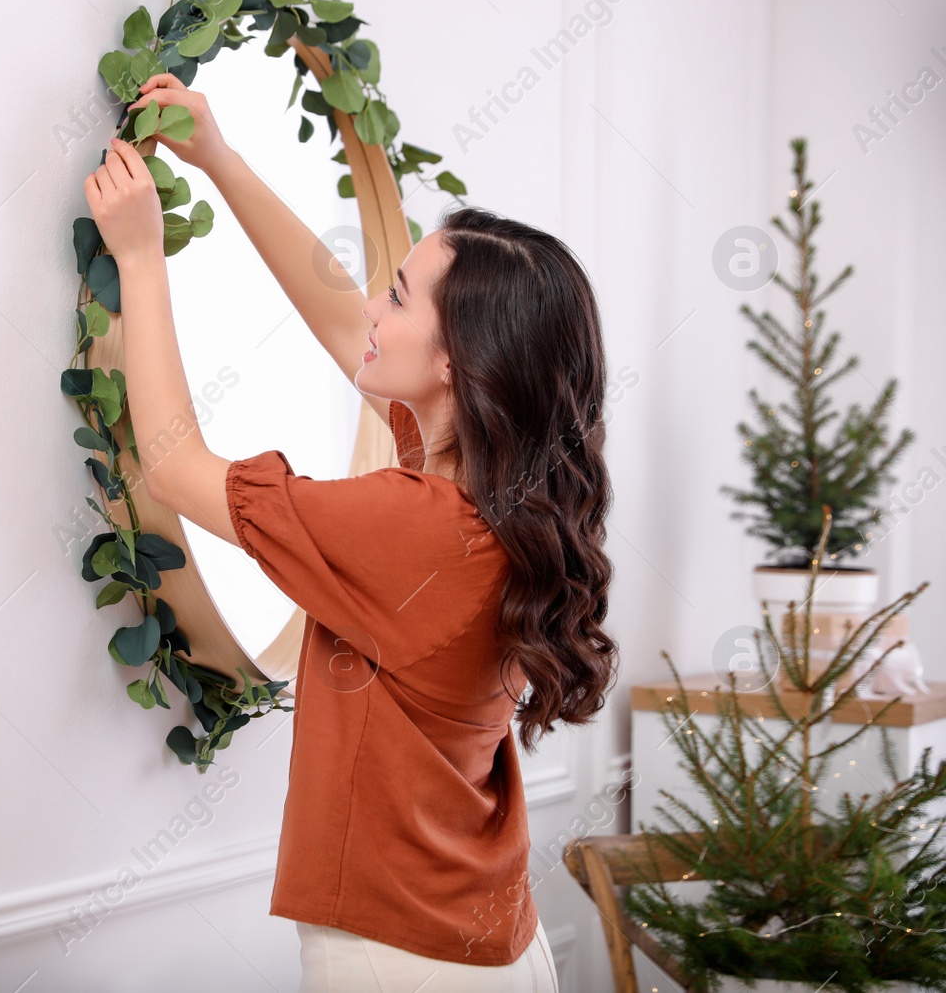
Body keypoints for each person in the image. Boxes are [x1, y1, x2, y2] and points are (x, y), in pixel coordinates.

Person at [83, 71, 616, 993]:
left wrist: (140, 258)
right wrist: (220, 161)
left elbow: (173, 464)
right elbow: (341, 314)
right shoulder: (495, 493)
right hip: (495, 941)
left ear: (456, 363)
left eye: (399, 298)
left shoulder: (412, 527)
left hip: (402, 958)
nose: (374, 304)